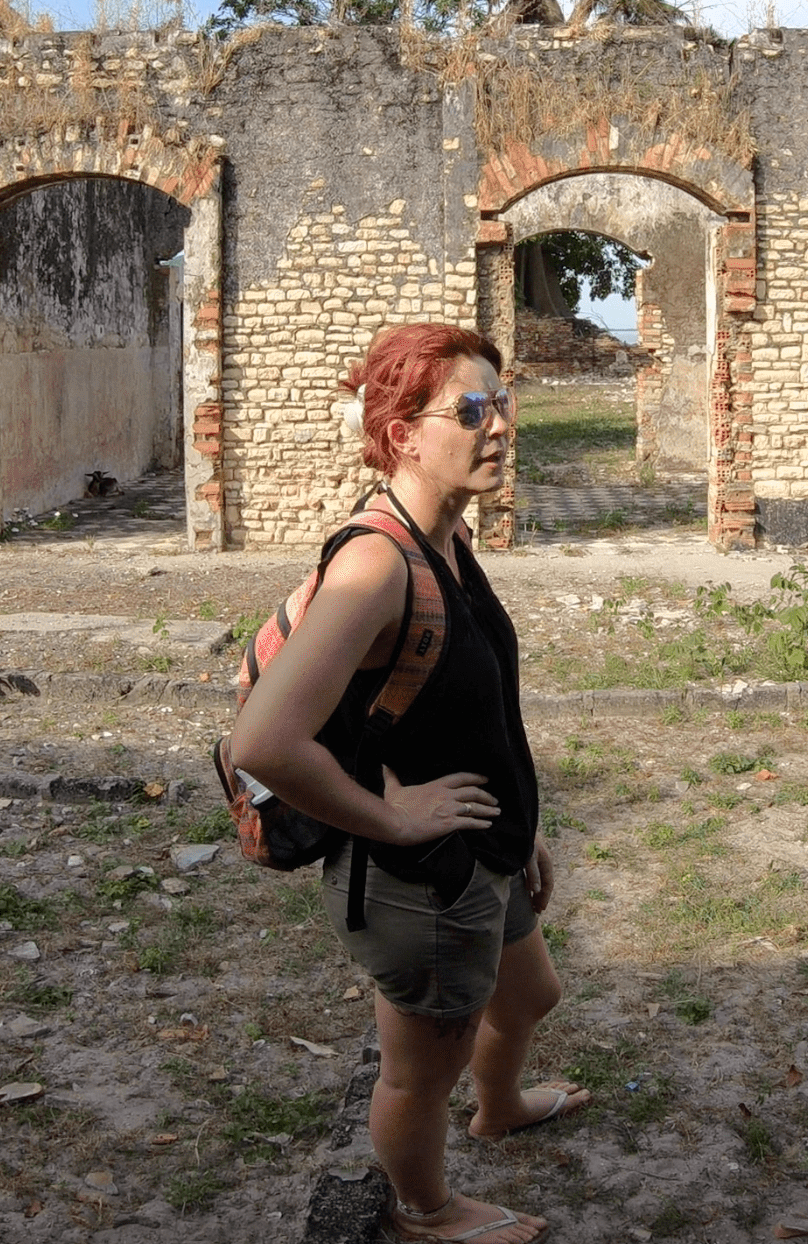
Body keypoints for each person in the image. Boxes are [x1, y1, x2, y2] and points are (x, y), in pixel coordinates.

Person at [226, 324, 586, 1244]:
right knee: (420, 1070)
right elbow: (261, 742)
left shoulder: (447, 537)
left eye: (503, 401)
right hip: (420, 878)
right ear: (401, 432)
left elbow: (467, 710)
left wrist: (522, 825)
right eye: (470, 409)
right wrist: (390, 816)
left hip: (482, 844)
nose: (499, 424)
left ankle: (497, 1108)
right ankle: (424, 1210)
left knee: (529, 994)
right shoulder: (376, 565)